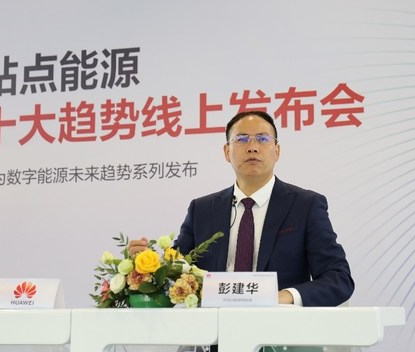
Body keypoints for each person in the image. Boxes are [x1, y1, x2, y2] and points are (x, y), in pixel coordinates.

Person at [128, 110, 354, 306]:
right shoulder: (202, 210)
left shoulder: (305, 205)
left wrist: (283, 297)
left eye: (263, 139)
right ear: (227, 152)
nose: (253, 147)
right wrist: (146, 266)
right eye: (242, 139)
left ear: (277, 151)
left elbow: (339, 278)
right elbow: (177, 272)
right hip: (213, 331)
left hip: (280, 330)